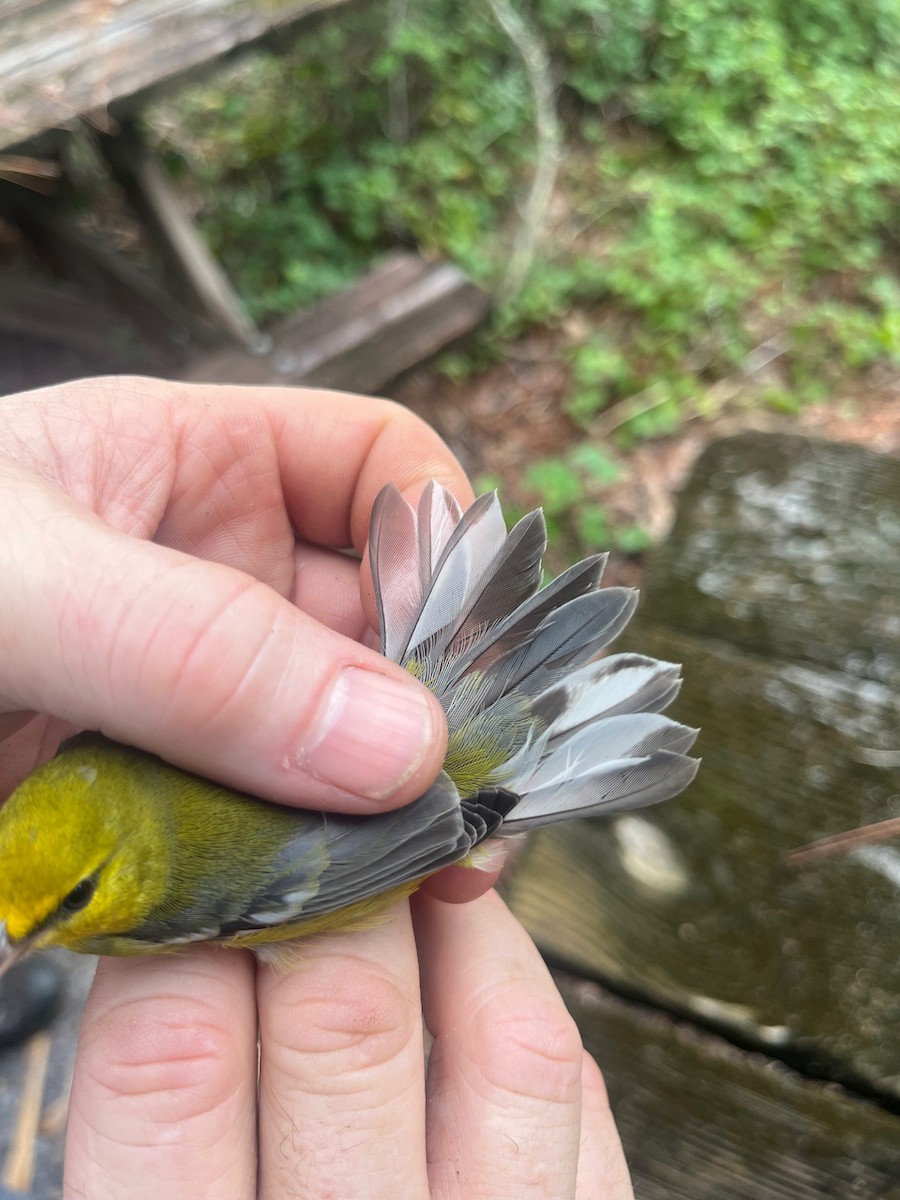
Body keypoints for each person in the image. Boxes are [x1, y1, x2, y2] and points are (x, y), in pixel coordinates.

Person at [0, 375, 634, 1199]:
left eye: (72, 901)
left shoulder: (162, 898)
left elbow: (312, 881)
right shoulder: (69, 779)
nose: (24, 937)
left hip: (383, 820)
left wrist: (460, 815)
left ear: (111, 868)